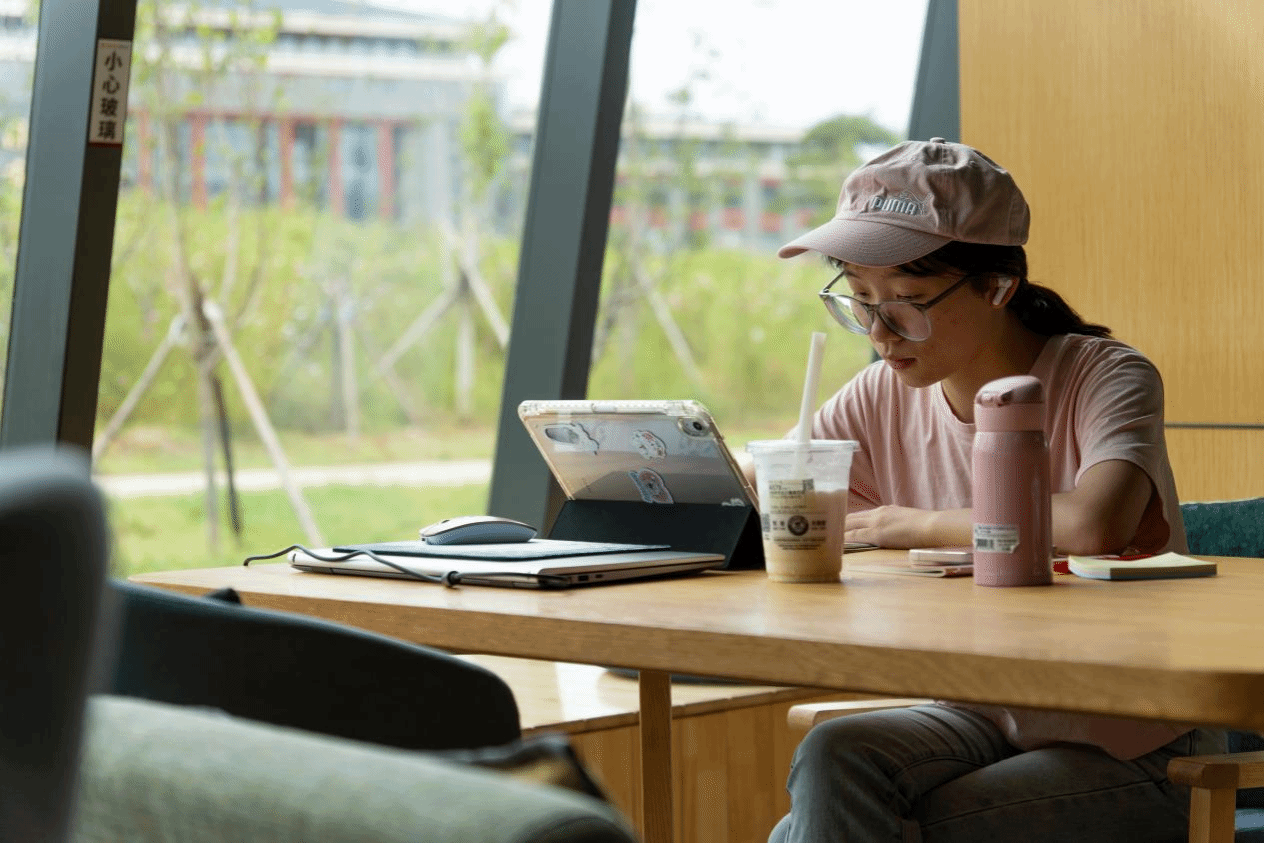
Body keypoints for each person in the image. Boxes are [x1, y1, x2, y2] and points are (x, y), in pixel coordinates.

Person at [766, 137, 1225, 842]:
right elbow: (782, 481)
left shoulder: (1105, 377)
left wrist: (910, 524)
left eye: (908, 302)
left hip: (1137, 736)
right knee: (834, 754)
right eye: (860, 299)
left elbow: (1094, 522)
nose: (881, 333)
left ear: (998, 286)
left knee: (849, 830)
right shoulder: (880, 393)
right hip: (977, 712)